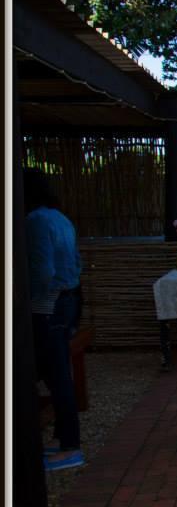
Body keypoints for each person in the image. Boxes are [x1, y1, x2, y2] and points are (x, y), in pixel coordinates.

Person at [25, 170, 85, 471]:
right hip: (68, 299)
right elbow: (77, 263)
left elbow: (43, 271)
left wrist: (26, 299)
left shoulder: (34, 221)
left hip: (47, 305)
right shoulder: (61, 218)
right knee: (58, 372)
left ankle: (70, 446)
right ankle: (63, 437)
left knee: (54, 374)